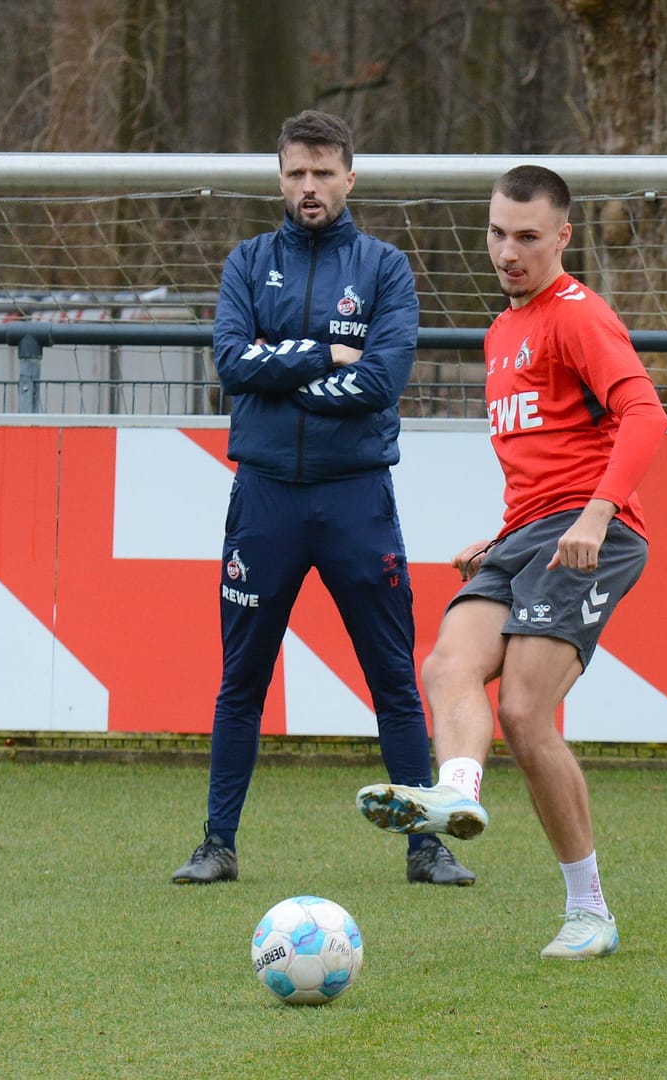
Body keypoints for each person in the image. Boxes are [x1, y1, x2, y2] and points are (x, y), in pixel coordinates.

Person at [355, 165, 667, 957]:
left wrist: (597, 512)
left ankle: (590, 912)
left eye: (527, 236)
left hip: (591, 533)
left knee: (528, 715)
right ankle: (455, 794)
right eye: (498, 233)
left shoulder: (577, 316)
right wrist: (502, 539)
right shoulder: (502, 330)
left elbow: (646, 415)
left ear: (562, 237)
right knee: (445, 666)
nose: (508, 251)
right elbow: (542, 457)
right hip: (524, 534)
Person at [172, 110, 472, 888]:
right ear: (280, 178)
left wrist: (287, 369)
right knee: (242, 681)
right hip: (264, 500)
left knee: (393, 680)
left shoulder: (384, 268)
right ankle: (217, 844)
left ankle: (426, 845)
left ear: (349, 176)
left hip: (355, 501)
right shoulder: (246, 262)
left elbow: (380, 381)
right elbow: (233, 364)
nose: (310, 186)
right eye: (297, 173)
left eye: (324, 172)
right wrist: (326, 354)